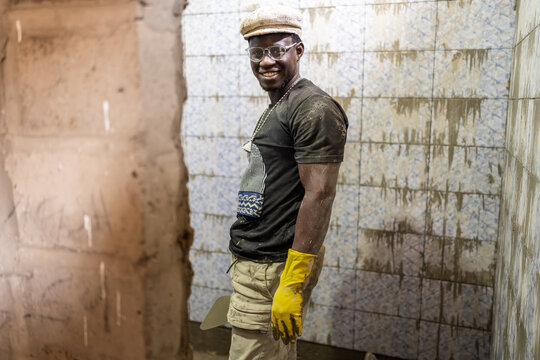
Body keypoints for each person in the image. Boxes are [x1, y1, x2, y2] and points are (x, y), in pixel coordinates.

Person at [227, 5, 348, 360]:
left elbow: (320, 194)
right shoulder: (281, 104)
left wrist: (292, 283)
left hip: (274, 268)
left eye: (277, 50)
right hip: (259, 263)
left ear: (298, 50)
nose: (266, 61)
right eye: (257, 52)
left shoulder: (313, 108)